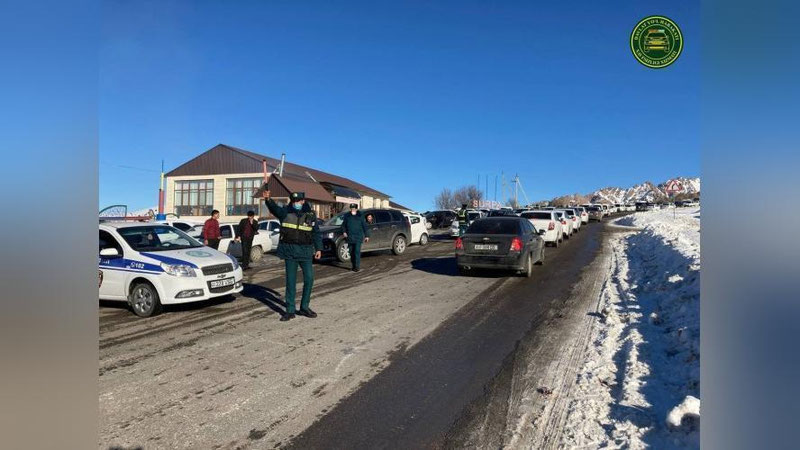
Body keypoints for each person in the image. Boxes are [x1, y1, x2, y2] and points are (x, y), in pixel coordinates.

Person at [264, 191, 323, 321]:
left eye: (299, 201)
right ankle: (290, 311)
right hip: (290, 252)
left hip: (305, 252)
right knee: (290, 282)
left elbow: (316, 233)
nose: (297, 203)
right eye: (294, 201)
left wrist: (319, 248)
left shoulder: (310, 215)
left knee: (309, 279)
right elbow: (274, 209)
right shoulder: (285, 212)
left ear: (303, 201)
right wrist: (268, 200)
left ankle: (304, 307)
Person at [341, 203, 370, 272]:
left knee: (357, 252)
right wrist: (344, 232)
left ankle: (357, 267)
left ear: (356, 209)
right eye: (351, 208)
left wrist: (367, 236)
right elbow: (343, 225)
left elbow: (365, 226)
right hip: (350, 237)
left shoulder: (360, 216)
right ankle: (353, 266)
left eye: (354, 209)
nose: (352, 210)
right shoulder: (347, 216)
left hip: (358, 237)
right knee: (351, 252)